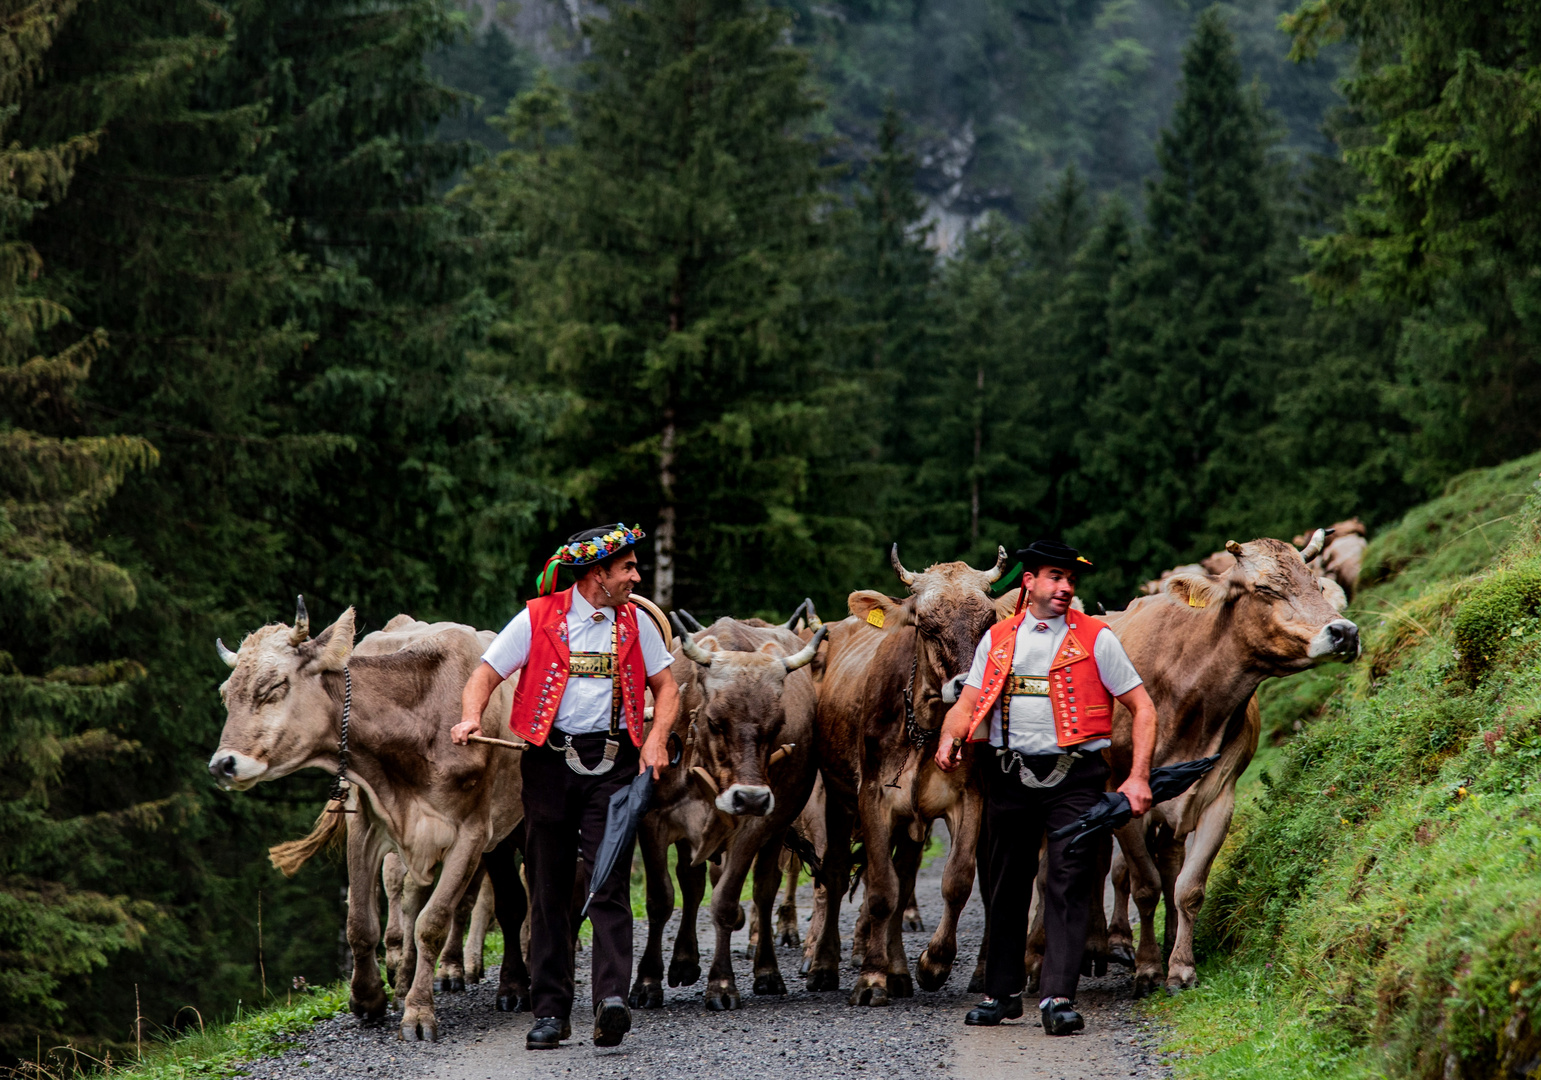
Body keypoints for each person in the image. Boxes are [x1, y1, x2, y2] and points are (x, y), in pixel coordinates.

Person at [452, 524, 680, 1051]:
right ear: (598, 574)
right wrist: (469, 717)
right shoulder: (537, 617)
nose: (636, 576)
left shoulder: (637, 623)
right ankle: (550, 1012)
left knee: (608, 879)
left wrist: (656, 740)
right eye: (627, 568)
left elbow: (666, 687)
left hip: (617, 763)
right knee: (550, 888)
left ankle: (610, 1002)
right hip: (549, 764)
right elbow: (485, 673)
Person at [934, 539, 1155, 1036]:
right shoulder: (998, 638)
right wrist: (950, 733)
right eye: (1055, 577)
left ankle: (1057, 995)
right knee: (1003, 885)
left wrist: (1138, 775)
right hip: (1008, 776)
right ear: (1028, 581)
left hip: (1075, 778)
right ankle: (1002, 994)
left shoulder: (1098, 638)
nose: (1065, 588)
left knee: (1069, 879)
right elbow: (969, 701)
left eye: (1071, 580)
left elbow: (1143, 707)